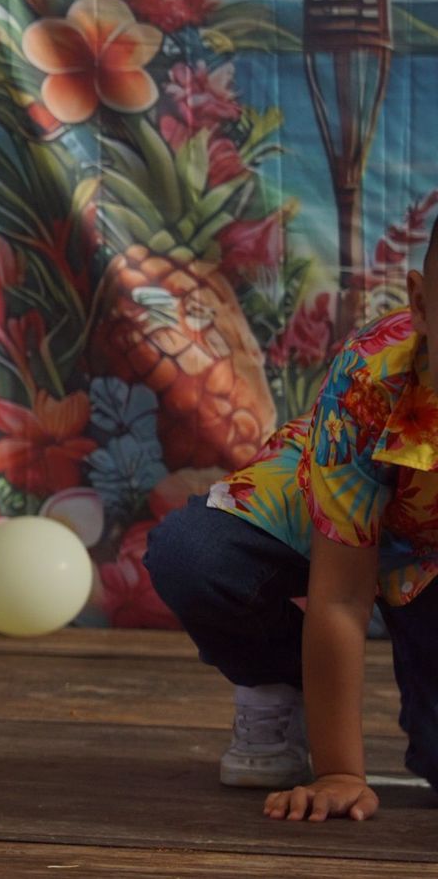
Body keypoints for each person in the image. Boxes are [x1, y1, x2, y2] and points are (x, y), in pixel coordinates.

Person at [147, 222, 438, 822]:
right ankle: (277, 677)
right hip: (333, 488)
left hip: (428, 557)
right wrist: (341, 773)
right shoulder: (368, 381)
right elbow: (341, 597)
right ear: (421, 306)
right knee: (195, 555)